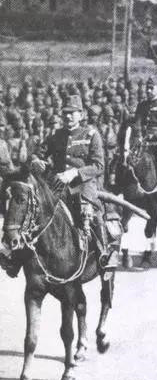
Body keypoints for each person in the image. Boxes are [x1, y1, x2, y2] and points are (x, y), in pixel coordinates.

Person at [30, 95, 120, 272]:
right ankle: (20, 256)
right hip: (58, 185)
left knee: (92, 213)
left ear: (81, 114)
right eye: (65, 112)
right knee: (35, 210)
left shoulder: (91, 135)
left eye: (72, 112)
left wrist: (75, 173)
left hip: (84, 185)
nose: (68, 116)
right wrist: (35, 160)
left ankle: (104, 254)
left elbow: (99, 165)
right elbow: (38, 153)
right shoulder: (56, 136)